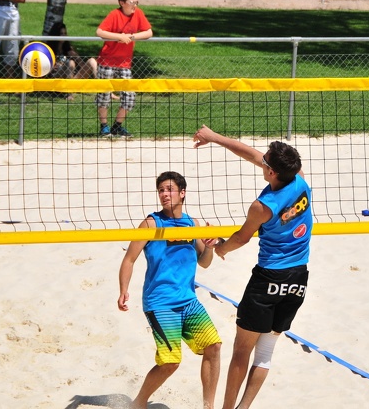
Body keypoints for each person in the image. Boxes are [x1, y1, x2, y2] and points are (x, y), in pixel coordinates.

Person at [191, 125, 313, 409]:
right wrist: (215, 137)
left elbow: (241, 239)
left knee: (241, 351)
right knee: (265, 352)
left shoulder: (262, 206)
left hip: (268, 278)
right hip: (298, 276)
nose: (261, 159)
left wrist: (219, 247)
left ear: (271, 172)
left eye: (265, 160)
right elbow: (250, 154)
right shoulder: (300, 181)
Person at [118, 171, 222, 409]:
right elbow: (129, 259)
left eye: (169, 189)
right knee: (170, 362)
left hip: (188, 300)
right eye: (161, 190)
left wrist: (209, 247)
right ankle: (139, 403)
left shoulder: (192, 223)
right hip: (160, 302)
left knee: (213, 346)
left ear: (182, 193)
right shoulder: (151, 223)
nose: (164, 194)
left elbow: (204, 263)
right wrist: (123, 289)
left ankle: (209, 406)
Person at [95, 0, 153, 138]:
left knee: (129, 95)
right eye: (132, 2)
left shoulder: (138, 14)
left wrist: (132, 36)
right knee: (104, 95)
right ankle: (104, 127)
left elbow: (148, 32)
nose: (135, 5)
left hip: (125, 63)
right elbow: (100, 32)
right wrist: (118, 36)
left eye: (136, 2)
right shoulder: (114, 14)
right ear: (122, 3)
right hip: (107, 61)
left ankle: (117, 126)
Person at [45, 21, 79, 101]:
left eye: (65, 33)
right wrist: (52, 67)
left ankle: (103, 90)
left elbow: (82, 64)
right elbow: (44, 71)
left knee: (92, 61)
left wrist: (76, 56)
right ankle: (69, 94)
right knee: (70, 63)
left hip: (70, 79)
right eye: (61, 33)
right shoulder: (48, 50)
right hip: (55, 79)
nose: (63, 36)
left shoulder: (68, 49)